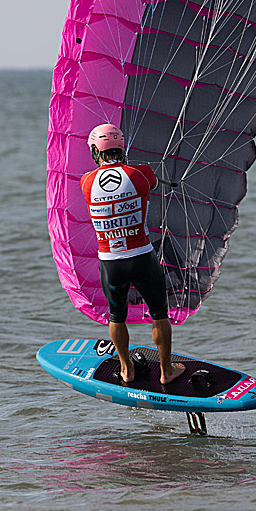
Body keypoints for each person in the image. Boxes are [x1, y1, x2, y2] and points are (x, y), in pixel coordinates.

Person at [80, 123, 186, 385]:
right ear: (122, 147)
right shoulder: (141, 174)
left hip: (111, 263)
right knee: (159, 313)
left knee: (116, 316)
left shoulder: (86, 182)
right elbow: (151, 181)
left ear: (95, 151)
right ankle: (166, 371)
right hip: (141, 257)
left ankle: (126, 368)